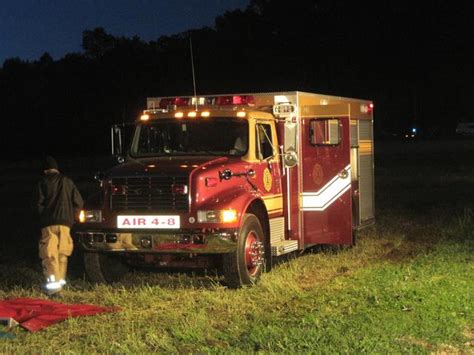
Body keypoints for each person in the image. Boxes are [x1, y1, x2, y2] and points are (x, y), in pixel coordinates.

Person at [33, 156, 83, 297]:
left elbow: (38, 204)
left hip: (48, 224)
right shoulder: (68, 181)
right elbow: (78, 202)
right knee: (62, 255)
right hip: (66, 225)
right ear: (56, 168)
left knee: (49, 256)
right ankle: (60, 286)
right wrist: (72, 219)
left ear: (45, 170)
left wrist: (41, 218)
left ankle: (53, 289)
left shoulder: (42, 182)